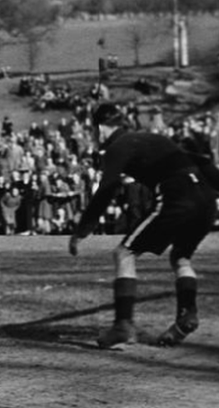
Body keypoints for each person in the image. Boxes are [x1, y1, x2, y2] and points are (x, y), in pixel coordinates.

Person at [69, 103, 219, 348]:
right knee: (181, 258)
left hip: (176, 198)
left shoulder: (118, 147)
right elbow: (201, 161)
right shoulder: (152, 139)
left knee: (124, 253)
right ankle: (186, 315)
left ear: (100, 129)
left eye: (93, 131)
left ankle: (122, 325)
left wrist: (82, 230)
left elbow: (107, 190)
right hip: (206, 201)